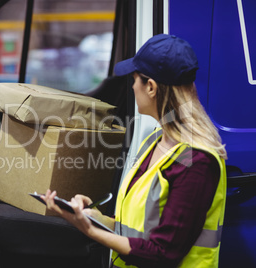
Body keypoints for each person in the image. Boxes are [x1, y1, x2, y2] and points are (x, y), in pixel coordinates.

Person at [42, 34, 227, 268]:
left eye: (135, 79)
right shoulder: (154, 142)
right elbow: (137, 230)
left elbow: (162, 254)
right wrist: (96, 218)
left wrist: (90, 231)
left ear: (151, 87)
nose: (131, 86)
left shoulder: (196, 161)